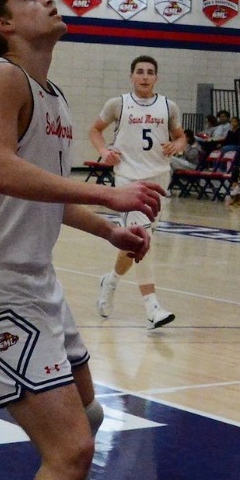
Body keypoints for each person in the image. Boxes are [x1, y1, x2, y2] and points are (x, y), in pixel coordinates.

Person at [0, 0, 165, 480]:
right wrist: (109, 194)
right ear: (5, 25)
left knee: (87, 420)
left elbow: (44, 192)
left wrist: (108, 229)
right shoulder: (0, 77)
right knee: (69, 451)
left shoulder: (55, 97)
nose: (48, 0)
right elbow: (0, 169)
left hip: (37, 284)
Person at [88, 55, 184, 330]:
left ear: (156, 77)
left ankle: (111, 281)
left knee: (136, 243)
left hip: (158, 177)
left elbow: (180, 137)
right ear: (131, 76)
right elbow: (95, 130)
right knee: (143, 240)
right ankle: (152, 306)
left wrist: (178, 145)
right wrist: (104, 151)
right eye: (140, 72)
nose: (144, 76)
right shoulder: (118, 104)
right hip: (128, 178)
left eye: (150, 72)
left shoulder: (169, 106)